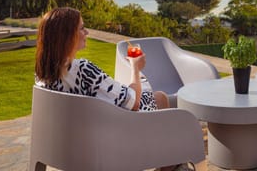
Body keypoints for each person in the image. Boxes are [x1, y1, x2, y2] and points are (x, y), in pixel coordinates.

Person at [35, 7, 169, 111]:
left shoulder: (42, 74)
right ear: (67, 36)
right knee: (160, 97)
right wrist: (135, 68)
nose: (87, 32)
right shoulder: (83, 70)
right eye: (82, 28)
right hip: (116, 127)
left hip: (79, 130)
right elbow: (133, 103)